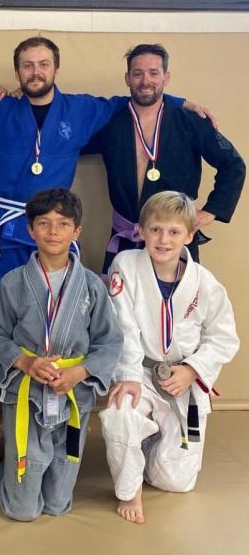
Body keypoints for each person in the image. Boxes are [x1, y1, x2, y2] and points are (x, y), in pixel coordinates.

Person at [0, 37, 205, 293]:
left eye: (43, 64)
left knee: (57, 302)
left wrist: (179, 102)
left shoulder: (82, 109)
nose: (36, 72)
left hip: (56, 225)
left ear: (55, 69)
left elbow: (136, 98)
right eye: (28, 65)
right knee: (8, 301)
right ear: (17, 72)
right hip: (8, 224)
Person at [0, 188, 122, 521]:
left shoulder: (92, 285)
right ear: (30, 230)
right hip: (27, 392)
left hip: (73, 393)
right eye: (43, 223)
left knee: (58, 504)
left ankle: (24, 467)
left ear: (77, 231)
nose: (53, 231)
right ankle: (8, 468)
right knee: (23, 510)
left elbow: (110, 341)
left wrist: (81, 371)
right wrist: (24, 361)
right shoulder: (13, 282)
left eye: (63, 224)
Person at [99, 191, 239, 525]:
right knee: (120, 412)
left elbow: (224, 337)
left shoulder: (205, 283)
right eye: (156, 230)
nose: (164, 240)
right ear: (142, 231)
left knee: (177, 482)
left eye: (174, 232)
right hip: (140, 372)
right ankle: (129, 488)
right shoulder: (126, 266)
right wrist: (129, 376)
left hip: (182, 381)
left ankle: (147, 446)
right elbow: (123, 327)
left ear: (189, 235)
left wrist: (192, 369)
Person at [83, 44, 245, 273]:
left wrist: (211, 211)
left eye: (153, 73)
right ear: (127, 78)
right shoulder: (110, 121)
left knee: (177, 296)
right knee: (120, 296)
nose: (145, 81)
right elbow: (65, 142)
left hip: (173, 240)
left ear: (166, 77)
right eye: (137, 73)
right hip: (127, 238)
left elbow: (233, 165)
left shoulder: (191, 121)